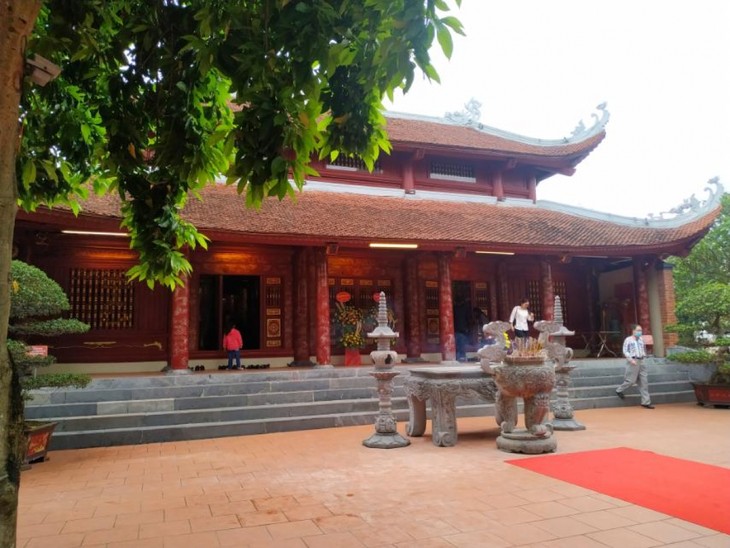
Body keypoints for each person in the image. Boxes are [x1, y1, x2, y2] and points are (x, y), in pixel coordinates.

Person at [616, 324, 654, 408]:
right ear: (633, 331)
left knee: (644, 382)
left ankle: (646, 402)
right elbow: (625, 351)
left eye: (640, 330)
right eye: (638, 330)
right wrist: (631, 360)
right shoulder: (628, 340)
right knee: (631, 380)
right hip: (633, 360)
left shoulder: (641, 339)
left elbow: (643, 349)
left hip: (642, 360)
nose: (640, 332)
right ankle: (619, 390)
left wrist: (644, 357)